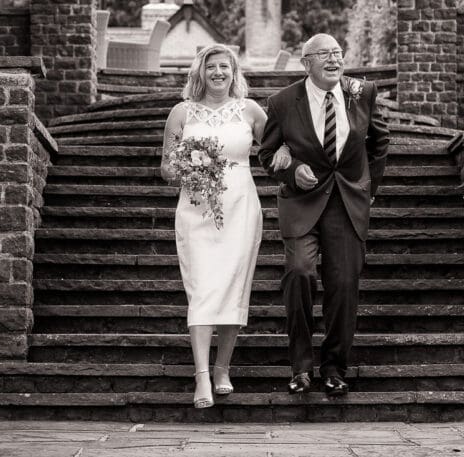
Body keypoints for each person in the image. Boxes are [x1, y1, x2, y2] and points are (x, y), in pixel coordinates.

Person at [258, 33, 390, 396]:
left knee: (344, 286)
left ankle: (334, 367)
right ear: (306, 64)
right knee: (299, 273)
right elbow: (267, 155)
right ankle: (301, 368)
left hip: (348, 204)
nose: (334, 60)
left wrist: (369, 189)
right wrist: (291, 170)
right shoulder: (283, 102)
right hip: (302, 204)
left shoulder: (363, 92)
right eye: (324, 55)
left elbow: (380, 142)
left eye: (338, 53)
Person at [160, 44, 289, 409]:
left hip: (240, 208)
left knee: (233, 289)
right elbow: (166, 168)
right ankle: (201, 376)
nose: (219, 72)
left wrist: (285, 154)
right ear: (199, 72)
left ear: (235, 72)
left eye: (225, 67)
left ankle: (222, 369)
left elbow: (275, 146)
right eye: (211, 66)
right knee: (202, 290)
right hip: (195, 209)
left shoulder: (249, 110)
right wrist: (187, 168)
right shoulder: (181, 113)